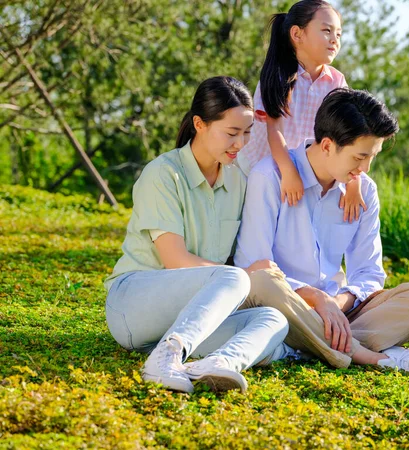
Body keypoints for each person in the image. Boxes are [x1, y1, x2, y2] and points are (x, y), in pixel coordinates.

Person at [235, 88, 409, 374]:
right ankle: (367, 355)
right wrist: (316, 299)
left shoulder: (364, 190)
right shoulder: (269, 177)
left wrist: (338, 302)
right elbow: (253, 267)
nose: (364, 168)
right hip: (286, 305)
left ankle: (303, 347)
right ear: (327, 145)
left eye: (372, 158)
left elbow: (369, 273)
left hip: (342, 313)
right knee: (264, 281)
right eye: (359, 157)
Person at [104, 76, 293, 394]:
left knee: (273, 320)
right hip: (132, 305)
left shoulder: (239, 181)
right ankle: (165, 359)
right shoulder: (164, 174)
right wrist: (244, 276)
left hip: (191, 316)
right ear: (199, 124)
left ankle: (220, 362)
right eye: (232, 133)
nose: (240, 144)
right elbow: (176, 260)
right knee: (234, 279)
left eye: (247, 133)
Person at [237, 0, 366, 223]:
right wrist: (288, 172)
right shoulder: (278, 76)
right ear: (297, 34)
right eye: (326, 31)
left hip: (304, 168)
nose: (335, 39)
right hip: (262, 168)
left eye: (339, 34)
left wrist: (354, 184)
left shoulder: (337, 82)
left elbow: (349, 136)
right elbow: (273, 131)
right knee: (257, 224)